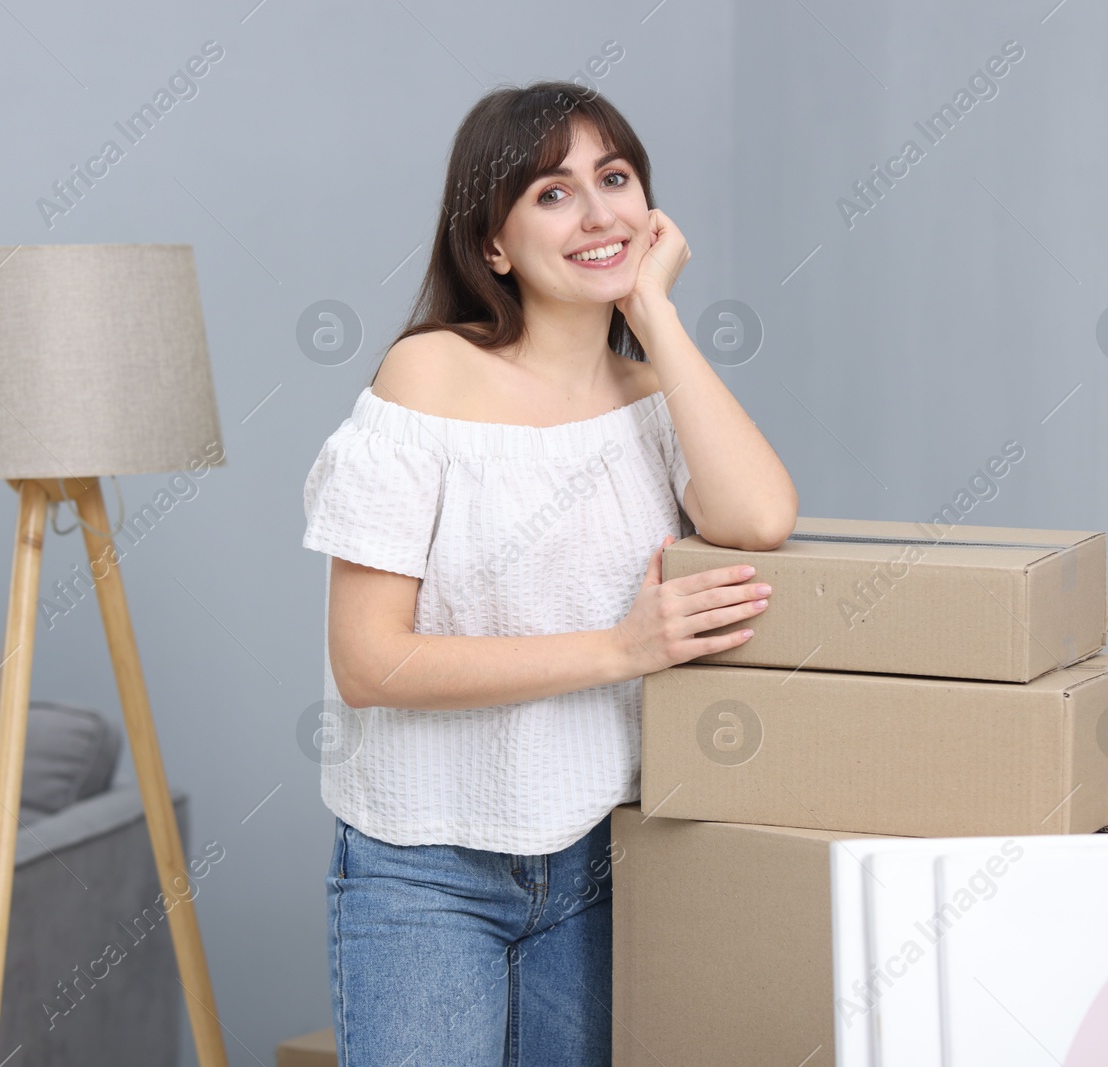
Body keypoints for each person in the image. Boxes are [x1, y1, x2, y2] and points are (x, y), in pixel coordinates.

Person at [301, 79, 798, 1067]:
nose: (598, 210)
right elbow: (369, 663)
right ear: (493, 243)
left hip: (606, 862)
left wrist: (653, 312)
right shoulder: (427, 378)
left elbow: (757, 516)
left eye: (613, 178)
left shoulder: (651, 397)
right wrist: (621, 647)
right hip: (426, 868)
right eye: (551, 192)